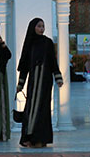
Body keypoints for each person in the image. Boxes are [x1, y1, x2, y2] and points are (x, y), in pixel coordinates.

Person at [15, 17, 61, 148]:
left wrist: (58, 78)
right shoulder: (30, 44)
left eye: (43, 26)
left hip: (45, 83)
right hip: (33, 83)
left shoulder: (48, 43)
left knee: (43, 110)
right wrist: (20, 84)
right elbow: (24, 66)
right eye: (39, 26)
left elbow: (53, 62)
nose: (41, 29)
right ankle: (28, 138)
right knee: (30, 110)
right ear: (33, 28)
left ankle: (41, 139)